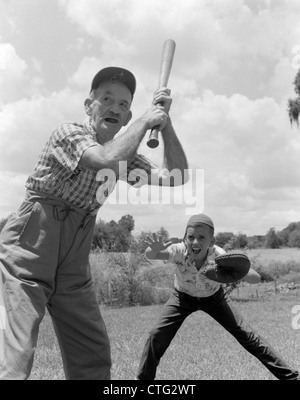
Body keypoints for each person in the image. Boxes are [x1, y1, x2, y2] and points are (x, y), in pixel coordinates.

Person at [0, 66, 188, 380]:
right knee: (17, 350)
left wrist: (165, 124)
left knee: (92, 351)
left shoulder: (126, 154)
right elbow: (104, 159)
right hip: (32, 245)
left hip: (75, 251)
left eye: (124, 105)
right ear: (90, 106)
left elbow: (177, 177)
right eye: (107, 99)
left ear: (127, 118)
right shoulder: (69, 133)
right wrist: (145, 119)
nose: (115, 107)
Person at [136, 213, 300, 380]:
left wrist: (239, 270)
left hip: (214, 299)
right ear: (184, 238)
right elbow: (151, 254)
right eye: (190, 237)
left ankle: (291, 377)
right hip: (182, 298)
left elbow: (255, 277)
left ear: (211, 241)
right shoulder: (179, 251)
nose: (195, 242)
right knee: (156, 335)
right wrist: (155, 248)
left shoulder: (219, 255)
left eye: (201, 237)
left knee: (248, 335)